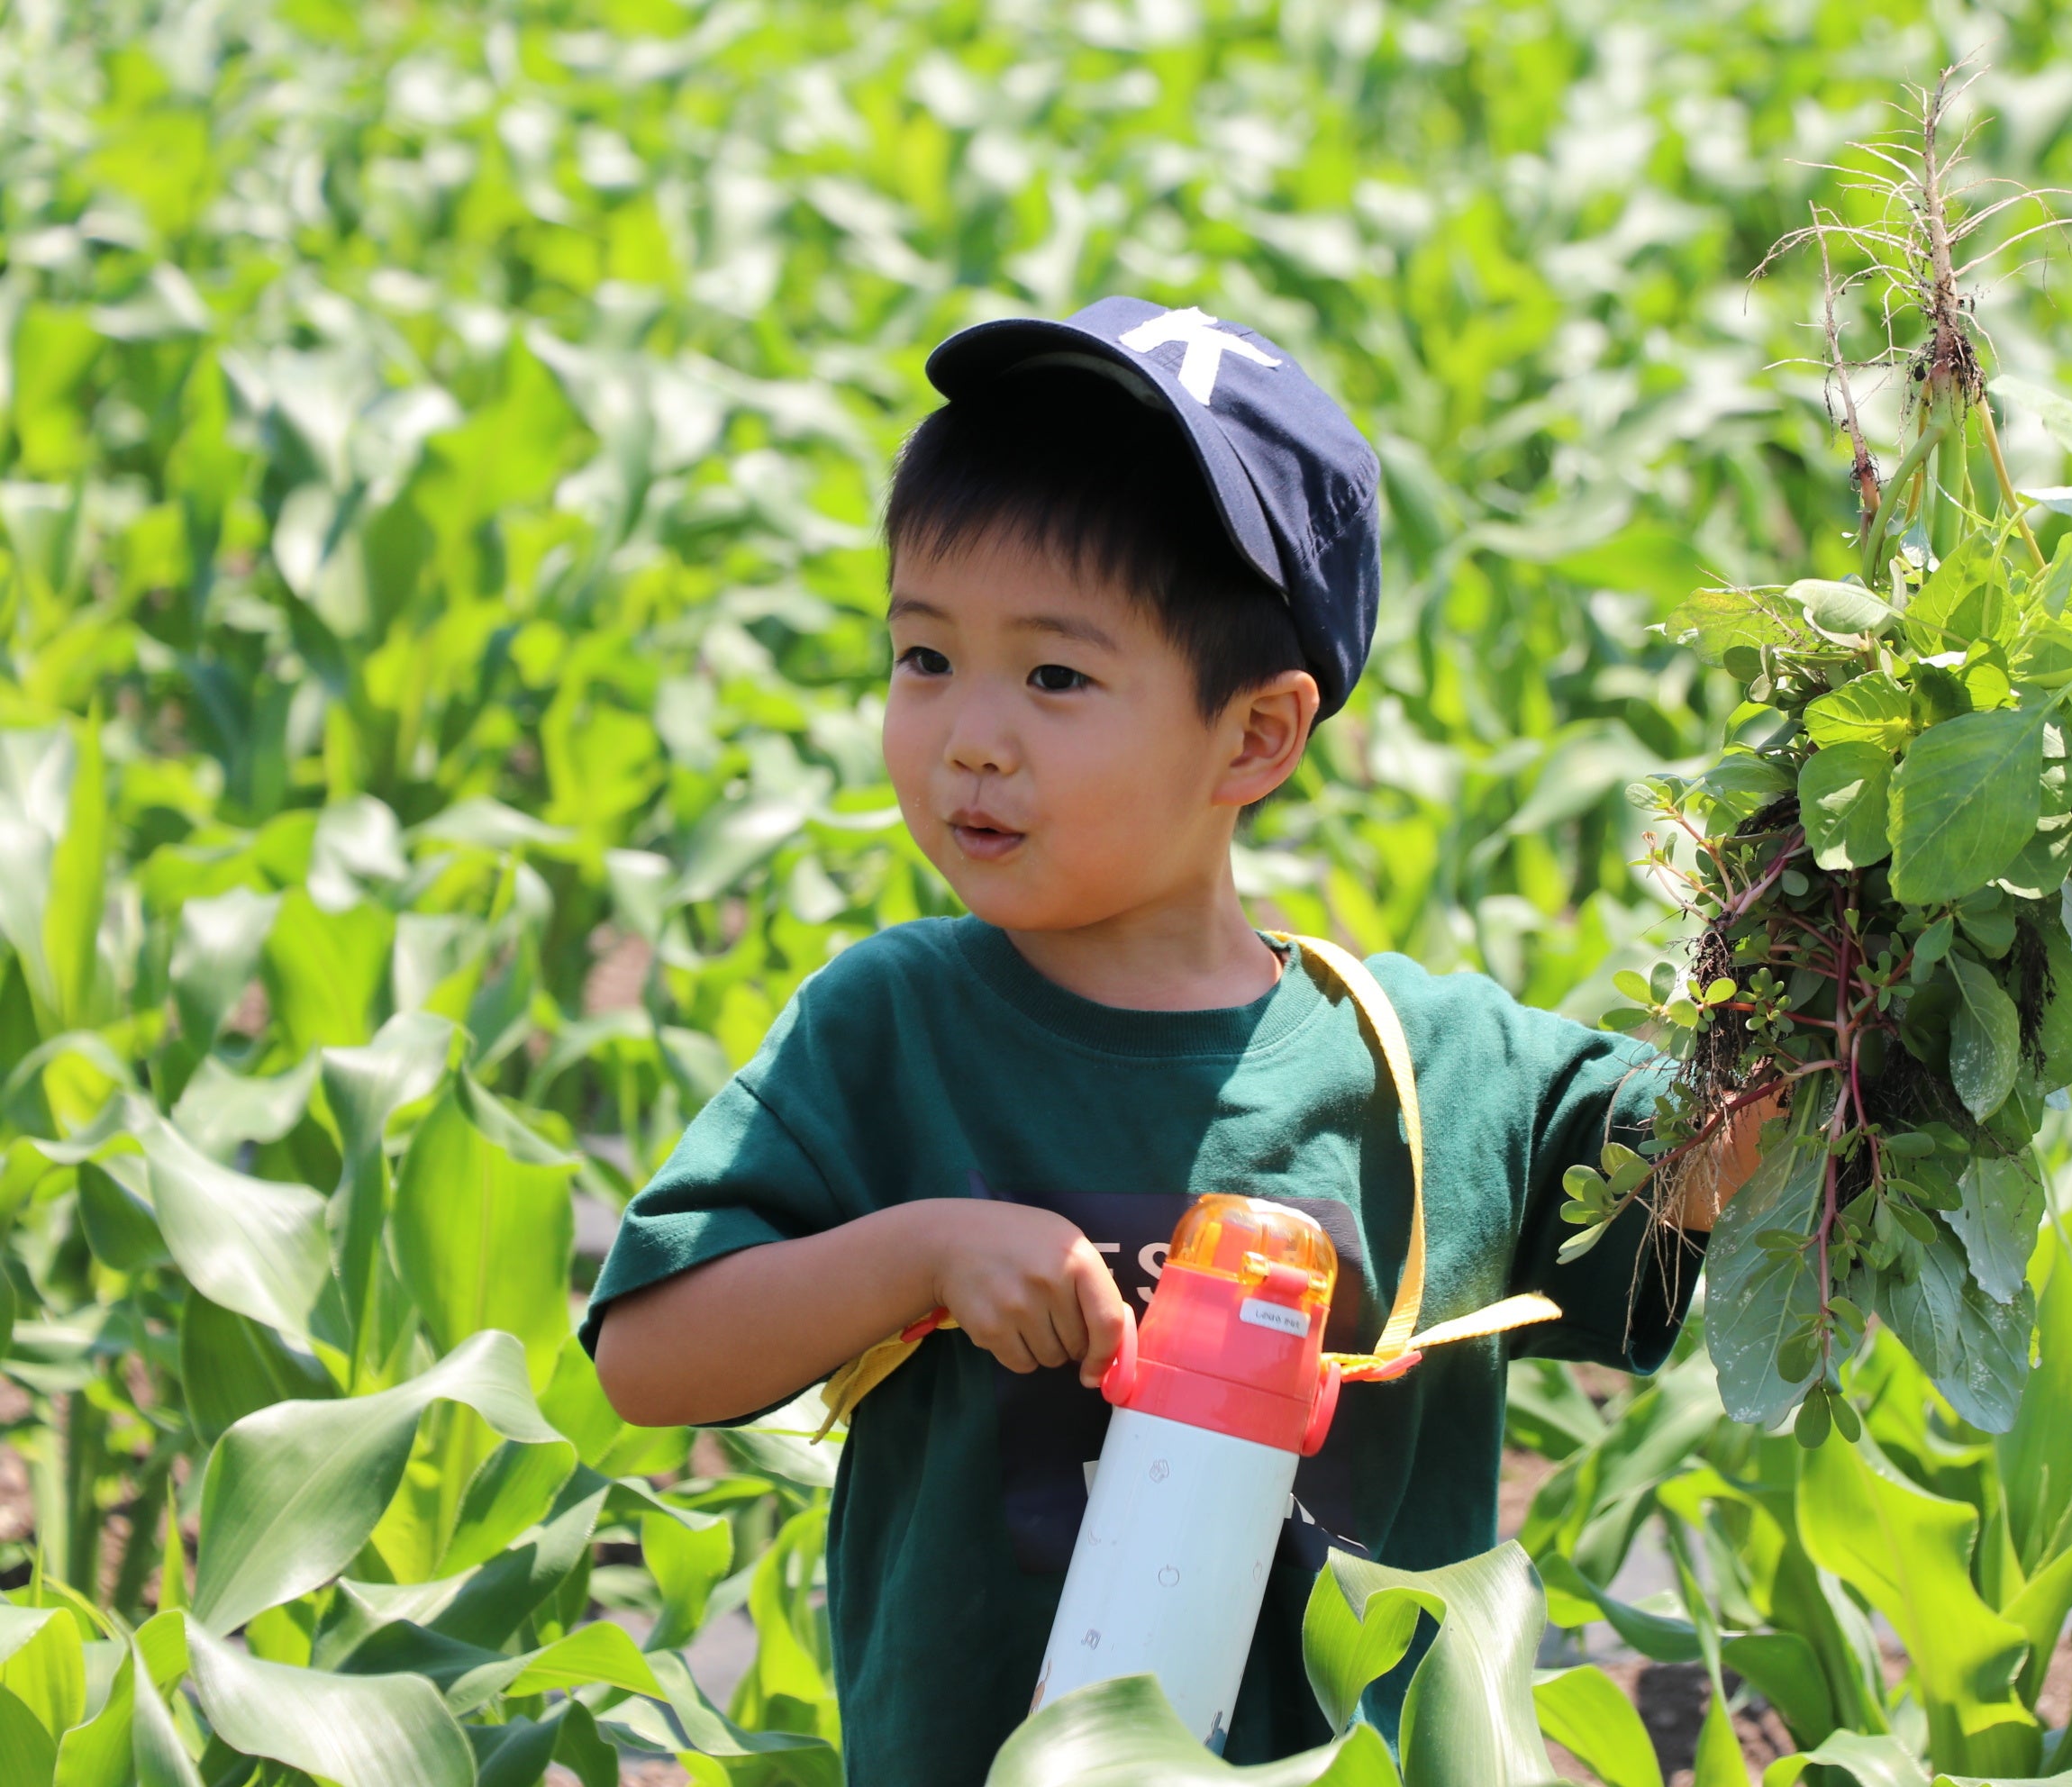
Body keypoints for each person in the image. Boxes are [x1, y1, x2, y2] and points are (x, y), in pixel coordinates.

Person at [583, 296, 1769, 1785]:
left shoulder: (1427, 1073)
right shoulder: (889, 1033)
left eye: (1056, 677)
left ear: (1257, 737)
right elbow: (648, 1355)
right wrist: (920, 1254)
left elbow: (1730, 1155)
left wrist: (1858, 959)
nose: (969, 735)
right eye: (923, 656)